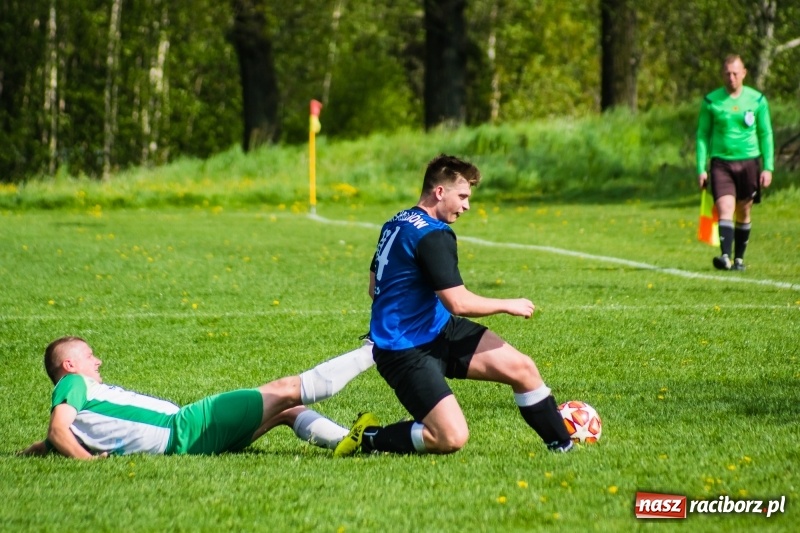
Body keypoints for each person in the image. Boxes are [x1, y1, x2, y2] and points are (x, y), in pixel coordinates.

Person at [334, 154, 573, 458]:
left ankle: (562, 447)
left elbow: (373, 289)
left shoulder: (396, 222)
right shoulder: (433, 234)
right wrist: (507, 304)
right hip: (404, 350)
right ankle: (369, 437)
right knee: (450, 437)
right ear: (439, 192)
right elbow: (458, 302)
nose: (467, 205)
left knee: (522, 368)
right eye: (462, 196)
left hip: (440, 330)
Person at [19, 335, 375, 459]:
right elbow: (57, 430)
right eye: (88, 355)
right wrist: (85, 462)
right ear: (69, 365)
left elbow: (53, 441)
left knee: (288, 410)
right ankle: (377, 350)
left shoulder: (81, 422)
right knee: (285, 388)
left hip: (191, 440)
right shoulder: (72, 383)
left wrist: (23, 454)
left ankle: (349, 441)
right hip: (189, 426)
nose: (96, 360)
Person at [696, 54, 774, 271]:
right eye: (727, 73)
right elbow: (702, 135)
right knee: (725, 207)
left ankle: (738, 259)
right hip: (721, 163)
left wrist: (768, 167)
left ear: (744, 73)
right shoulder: (711, 101)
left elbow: (766, 133)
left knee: (744, 210)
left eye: (735, 73)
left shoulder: (757, 100)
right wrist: (701, 167)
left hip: (749, 162)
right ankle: (725, 257)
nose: (731, 78)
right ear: (722, 75)